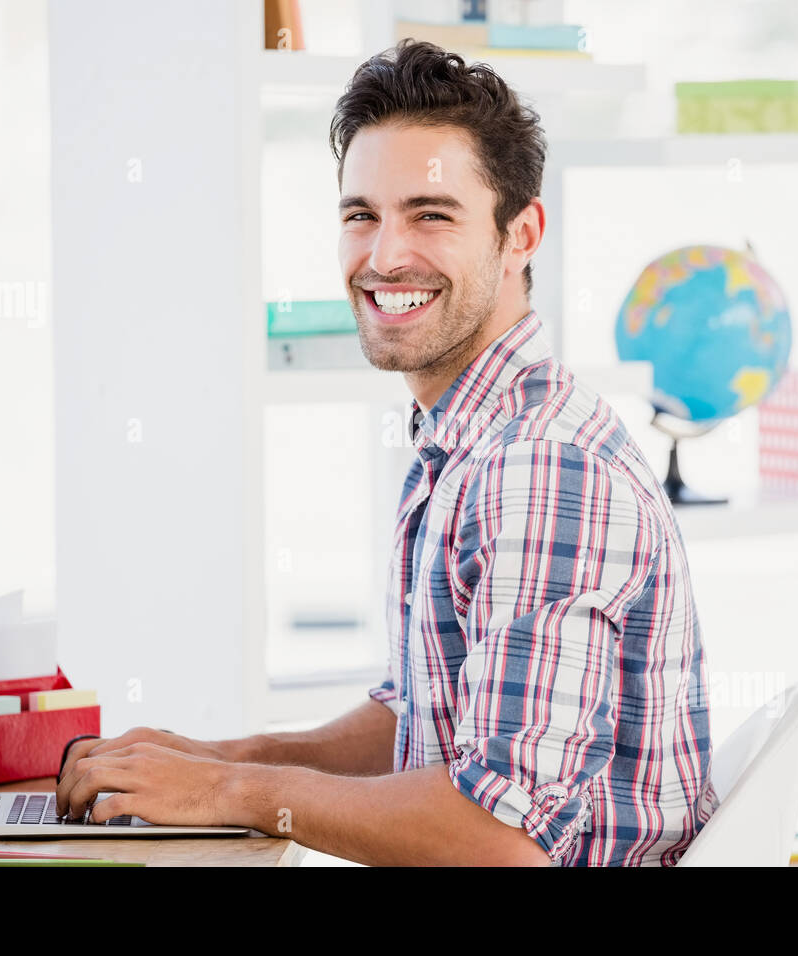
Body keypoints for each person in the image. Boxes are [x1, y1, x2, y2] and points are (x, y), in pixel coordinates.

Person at [56, 39, 716, 866]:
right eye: (361, 214)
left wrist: (230, 797)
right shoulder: (468, 439)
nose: (385, 255)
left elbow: (499, 840)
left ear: (522, 235)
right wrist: (219, 759)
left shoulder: (541, 466)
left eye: (431, 215)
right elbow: (424, 719)